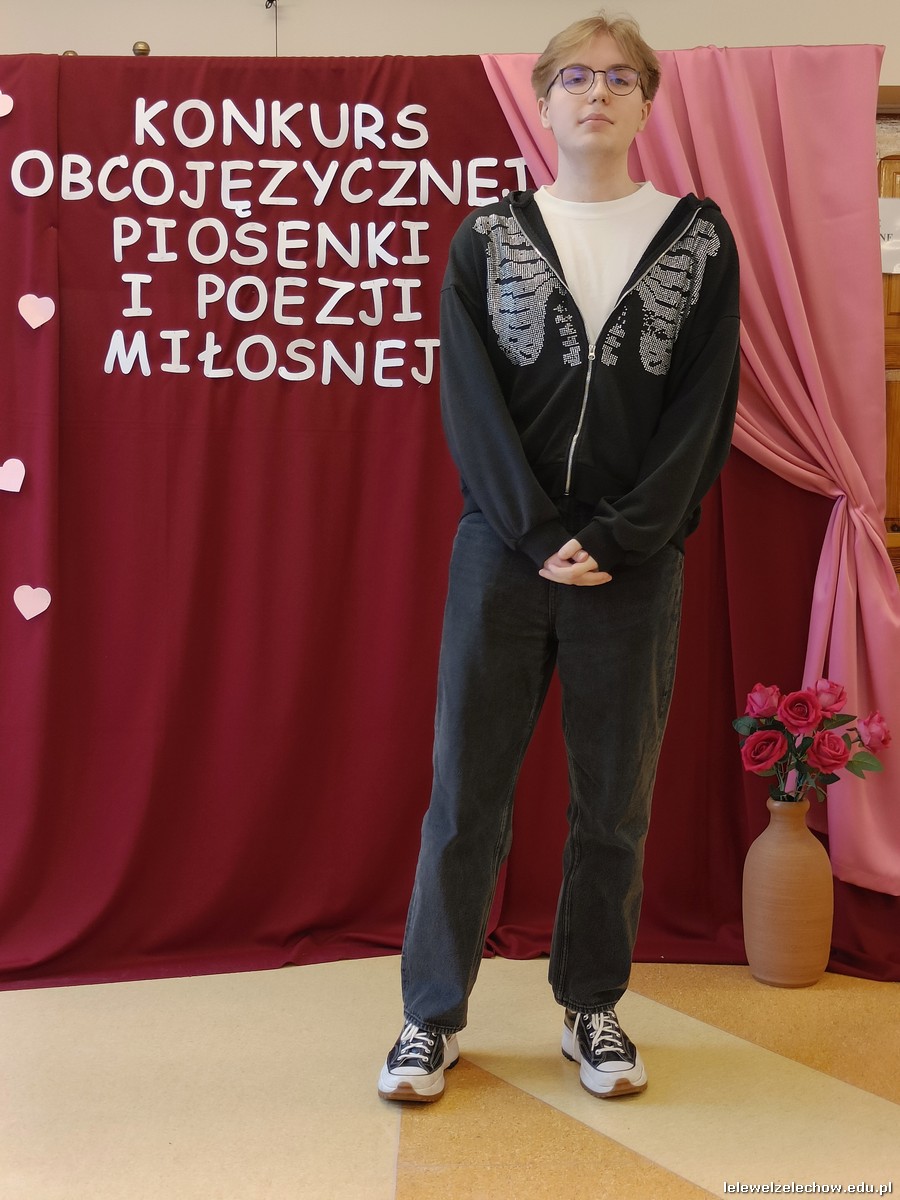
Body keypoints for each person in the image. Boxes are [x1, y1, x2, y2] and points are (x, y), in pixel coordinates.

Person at [378, 11, 740, 1104]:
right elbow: (470, 401)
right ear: (542, 102)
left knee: (613, 804)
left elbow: (703, 411)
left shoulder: (698, 238)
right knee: (465, 795)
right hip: (503, 552)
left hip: (636, 561)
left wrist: (621, 536)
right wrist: (539, 533)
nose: (598, 93)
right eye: (576, 78)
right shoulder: (488, 237)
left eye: (621, 78)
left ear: (647, 103)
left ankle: (593, 1009)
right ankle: (429, 1018)